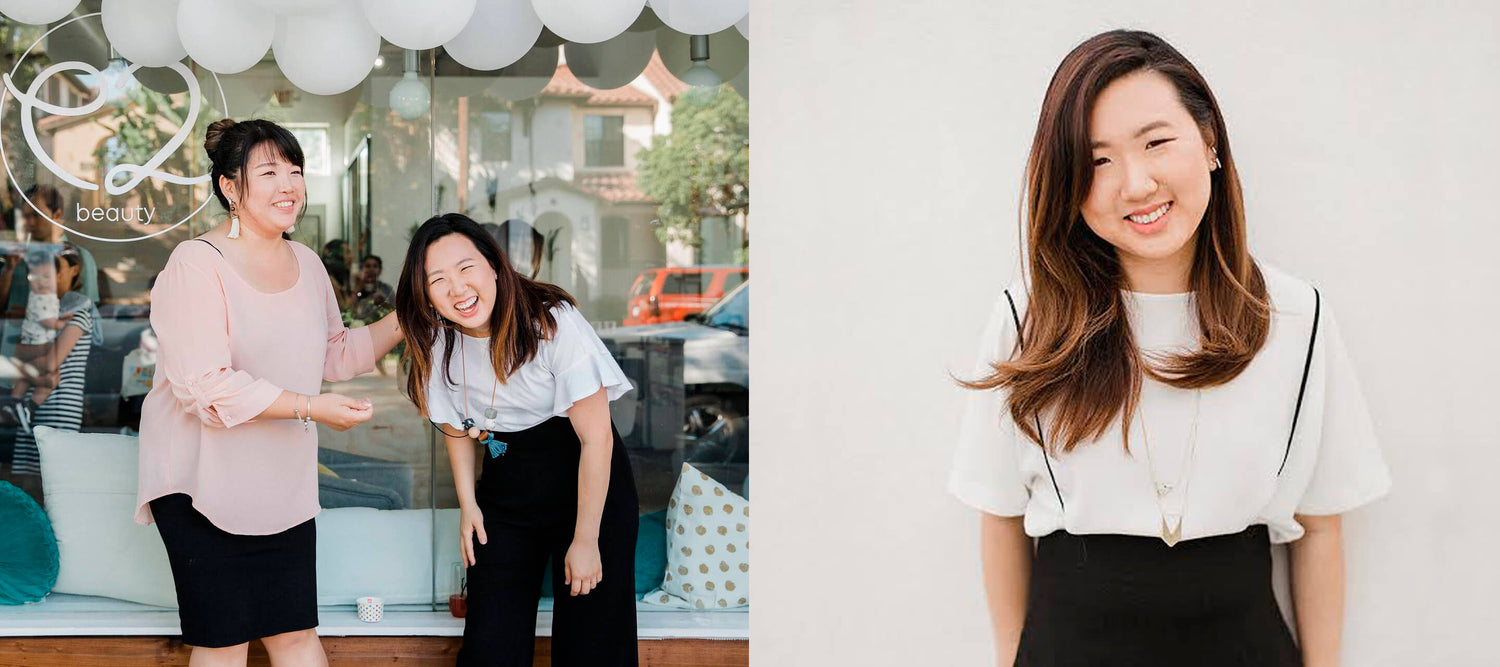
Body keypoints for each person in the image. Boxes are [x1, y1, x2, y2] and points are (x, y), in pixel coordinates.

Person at [948, 30, 1391, 666]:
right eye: (1097, 160)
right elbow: (999, 515)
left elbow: (1320, 526)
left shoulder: (1296, 317)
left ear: (1210, 143)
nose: (1135, 183)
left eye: (1157, 142)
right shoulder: (1029, 318)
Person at [134, 118, 403, 666]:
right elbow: (205, 389)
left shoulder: (306, 262)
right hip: (199, 483)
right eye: (270, 172)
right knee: (224, 641)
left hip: (281, 485)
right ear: (230, 187)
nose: (289, 185)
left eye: (296, 171)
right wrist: (312, 408)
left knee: (295, 633)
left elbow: (335, 354)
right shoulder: (195, 262)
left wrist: (410, 317)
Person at [395, 213, 639, 666]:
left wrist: (586, 539)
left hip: (587, 477)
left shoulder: (551, 323)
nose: (458, 289)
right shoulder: (437, 342)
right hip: (507, 487)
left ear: (493, 265)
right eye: (438, 279)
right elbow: (455, 428)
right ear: (425, 293)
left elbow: (597, 439)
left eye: (466, 269)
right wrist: (468, 504)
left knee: (592, 645)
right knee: (492, 645)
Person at [2, 247, 94, 503]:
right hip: (27, 412)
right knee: (28, 489)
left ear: (73, 271)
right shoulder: (39, 313)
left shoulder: (79, 315)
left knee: (55, 485)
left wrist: (31, 364)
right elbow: (21, 355)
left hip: (59, 408)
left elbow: (49, 361)